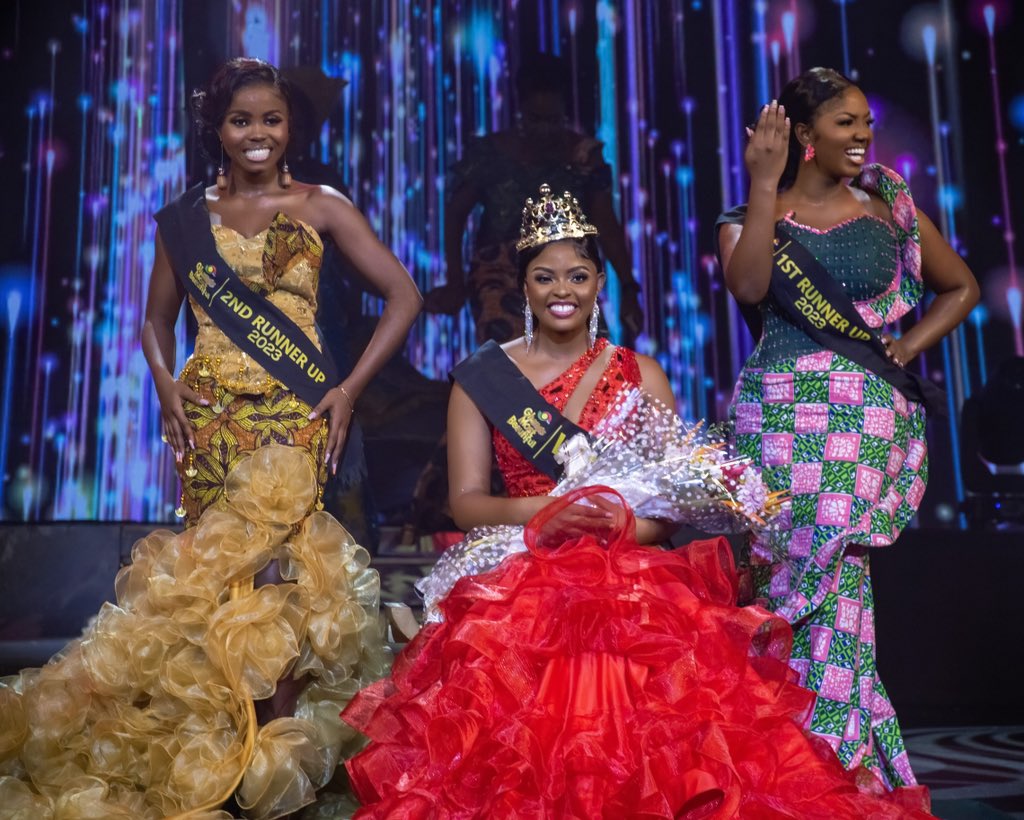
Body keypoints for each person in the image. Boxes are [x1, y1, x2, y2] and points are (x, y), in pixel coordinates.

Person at [339, 184, 935, 818]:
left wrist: (623, 522)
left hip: (631, 572)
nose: (562, 290)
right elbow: (466, 505)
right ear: (524, 287)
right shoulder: (481, 379)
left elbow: (674, 502)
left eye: (578, 275)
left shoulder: (641, 374)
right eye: (544, 277)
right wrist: (550, 516)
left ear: (600, 284)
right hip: (521, 571)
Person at [0, 58, 422, 819]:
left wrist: (348, 391)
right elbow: (155, 321)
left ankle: (277, 763)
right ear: (217, 130)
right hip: (210, 419)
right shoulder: (187, 219)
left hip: (294, 415)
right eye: (241, 120)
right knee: (217, 581)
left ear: (290, 127)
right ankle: (221, 760)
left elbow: (404, 295)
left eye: (271, 119)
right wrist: (165, 384)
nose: (257, 134)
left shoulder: (321, 204)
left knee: (285, 581)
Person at [717, 67, 979, 789]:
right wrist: (763, 182)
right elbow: (749, 286)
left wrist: (907, 347)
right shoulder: (746, 215)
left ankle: (829, 756)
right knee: (780, 572)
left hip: (864, 418)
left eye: (866, 122)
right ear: (804, 135)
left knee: (838, 550)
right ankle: (795, 757)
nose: (863, 135)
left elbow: (960, 286)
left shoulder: (887, 206)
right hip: (776, 417)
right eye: (845, 123)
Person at [425, 52, 643, 345]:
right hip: (500, 274)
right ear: (521, 111)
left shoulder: (583, 156)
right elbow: (455, 213)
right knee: (512, 359)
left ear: (564, 112)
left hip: (567, 274)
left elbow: (606, 223)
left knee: (589, 361)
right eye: (535, 119)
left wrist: (629, 288)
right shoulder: (492, 154)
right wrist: (455, 281)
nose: (544, 130)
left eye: (552, 120)